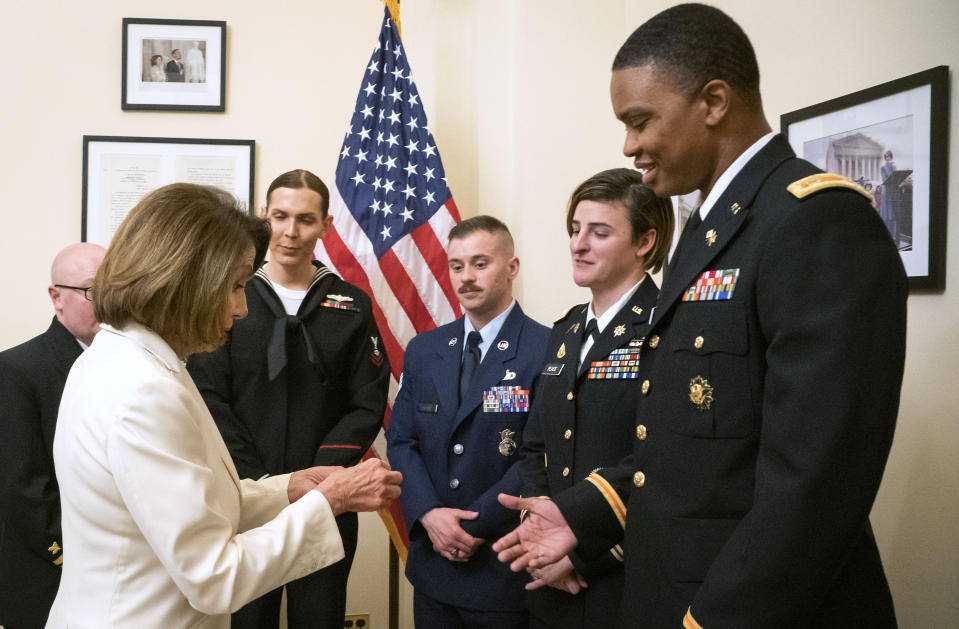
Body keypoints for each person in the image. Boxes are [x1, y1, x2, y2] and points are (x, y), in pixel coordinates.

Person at [494, 4, 907, 628]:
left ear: (713, 102)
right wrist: (583, 511)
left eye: (639, 121)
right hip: (670, 588)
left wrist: (712, 618)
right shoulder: (703, 231)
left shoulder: (815, 220)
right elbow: (682, 442)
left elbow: (815, 485)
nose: (629, 145)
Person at [45, 183, 401, 628]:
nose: (242, 308)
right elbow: (214, 576)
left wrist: (288, 488)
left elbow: (196, 501)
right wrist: (327, 502)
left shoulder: (122, 357)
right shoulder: (145, 392)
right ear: (187, 283)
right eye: (235, 286)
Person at [187, 170, 391, 629]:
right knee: (245, 617)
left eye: (305, 219)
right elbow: (208, 397)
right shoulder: (229, 298)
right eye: (279, 216)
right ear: (264, 217)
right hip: (244, 494)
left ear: (326, 226)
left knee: (319, 617)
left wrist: (321, 480)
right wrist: (258, 480)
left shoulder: (351, 304)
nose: (290, 232)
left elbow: (367, 400)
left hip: (327, 497)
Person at [518, 169, 672, 628]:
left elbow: (664, 464)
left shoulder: (666, 328)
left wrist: (581, 556)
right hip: (548, 581)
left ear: (645, 241)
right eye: (574, 230)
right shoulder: (565, 330)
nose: (578, 244)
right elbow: (535, 445)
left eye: (599, 232)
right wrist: (538, 538)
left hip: (619, 579)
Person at [386, 215, 549, 629]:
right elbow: (403, 441)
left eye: (481, 263)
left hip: (502, 563)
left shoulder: (547, 348)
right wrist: (428, 514)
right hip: (434, 569)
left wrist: (474, 523)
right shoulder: (425, 350)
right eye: (457, 266)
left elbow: (539, 453)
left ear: (512, 267)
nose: (466, 277)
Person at [0, 242, 105, 629]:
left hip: (109, 578)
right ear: (55, 297)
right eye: (93, 291)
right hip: (47, 575)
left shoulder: (123, 367)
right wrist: (75, 554)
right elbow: (22, 488)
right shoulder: (16, 370)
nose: (108, 303)